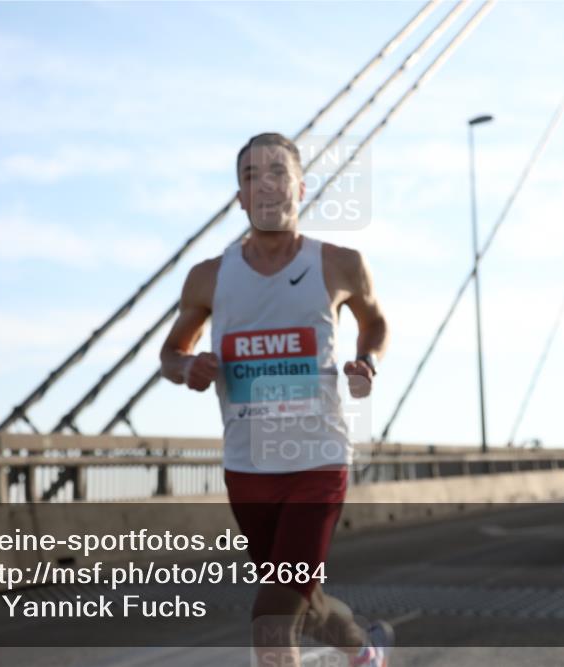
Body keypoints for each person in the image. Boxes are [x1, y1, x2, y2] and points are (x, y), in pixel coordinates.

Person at [160, 132, 391, 666]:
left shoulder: (340, 264)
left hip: (318, 460)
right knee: (302, 604)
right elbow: (171, 353)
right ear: (239, 198)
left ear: (301, 188)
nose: (264, 184)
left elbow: (375, 322)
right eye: (249, 176)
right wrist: (188, 367)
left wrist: (367, 361)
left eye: (276, 172)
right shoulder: (208, 278)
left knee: (270, 621)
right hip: (247, 466)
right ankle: (365, 654)